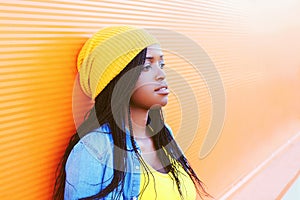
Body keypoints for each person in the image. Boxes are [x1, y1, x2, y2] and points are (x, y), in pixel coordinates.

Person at [53, 26, 211, 200]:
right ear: (117, 79)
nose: (161, 74)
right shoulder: (95, 149)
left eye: (161, 64)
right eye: (146, 66)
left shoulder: (163, 134)